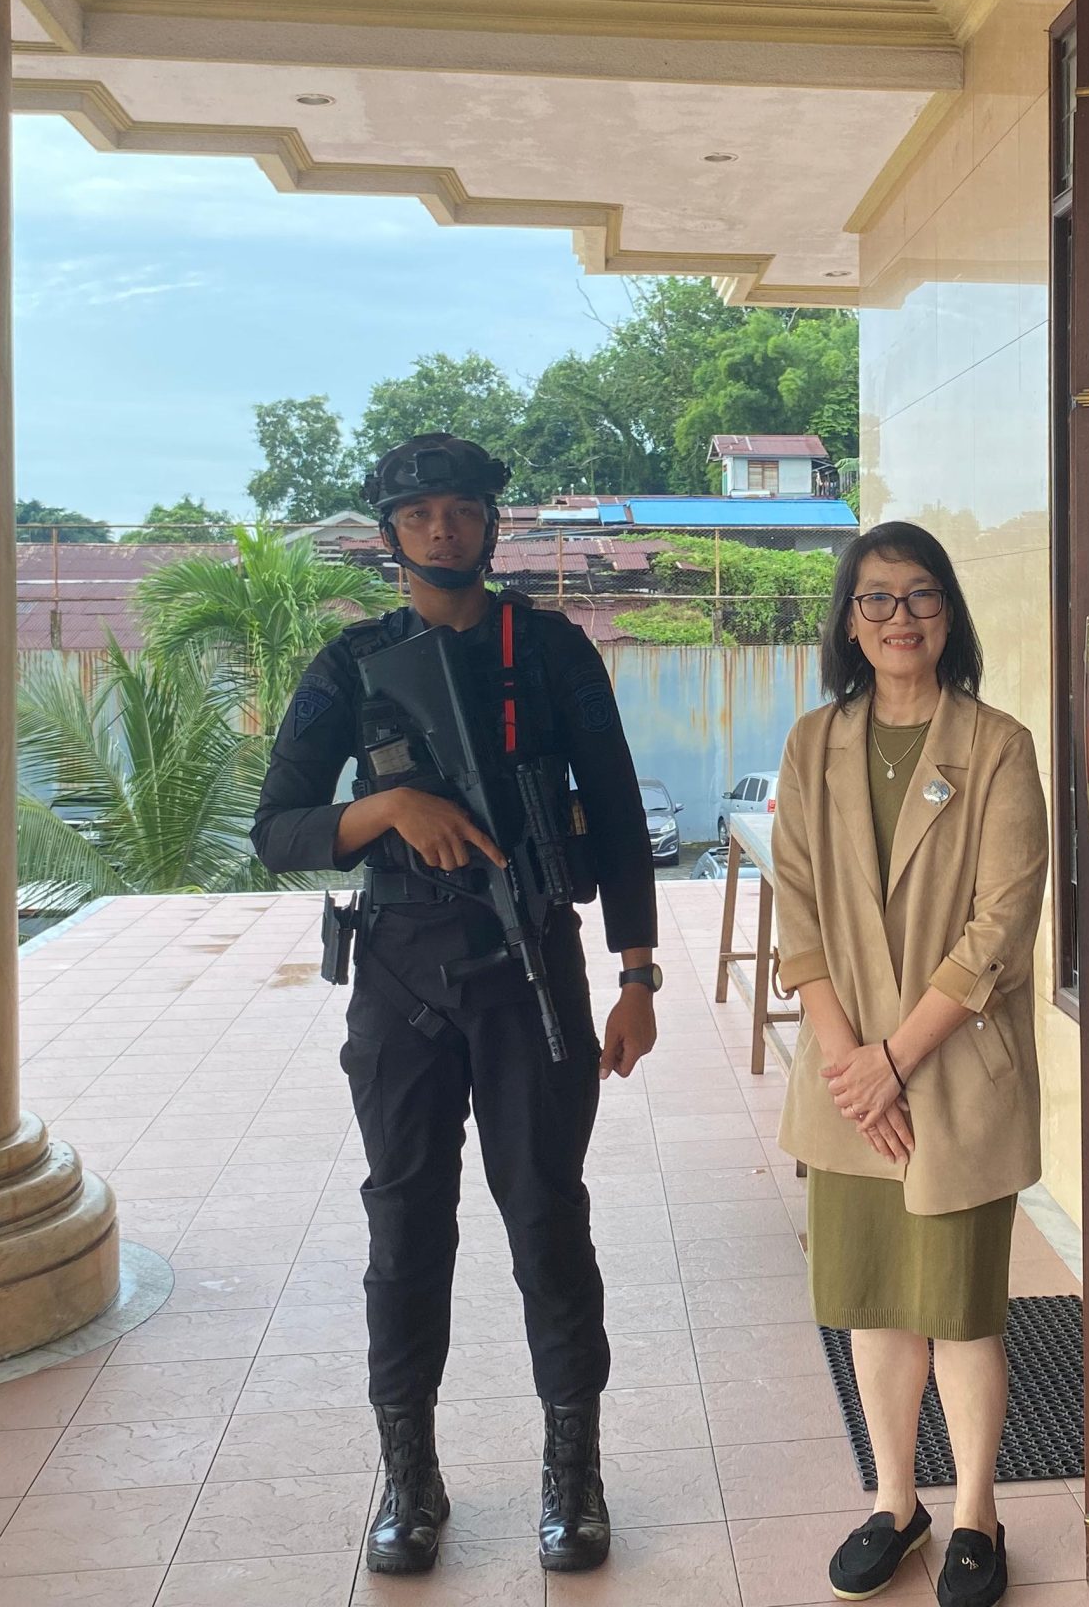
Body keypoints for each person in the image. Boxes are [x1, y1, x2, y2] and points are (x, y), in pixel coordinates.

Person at [250, 433, 665, 1579]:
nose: (443, 528)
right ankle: (411, 1479)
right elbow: (277, 829)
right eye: (420, 512)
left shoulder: (552, 650)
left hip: (531, 969)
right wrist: (388, 811)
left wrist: (636, 975)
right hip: (400, 977)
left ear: (490, 524)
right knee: (405, 1229)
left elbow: (616, 815)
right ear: (390, 532)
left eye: (462, 510)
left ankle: (572, 1476)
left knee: (548, 1221)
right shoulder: (351, 664)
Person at [769, 522, 1048, 1607]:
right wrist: (853, 1065)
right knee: (876, 1302)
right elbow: (799, 911)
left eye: (921, 596)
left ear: (949, 615)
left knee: (962, 1308)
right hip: (852, 1083)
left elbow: (1000, 927)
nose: (899, 617)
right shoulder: (813, 744)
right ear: (849, 620)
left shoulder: (998, 747)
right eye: (877, 598)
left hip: (952, 1072)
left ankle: (976, 1510)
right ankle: (896, 1503)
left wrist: (895, 1059)